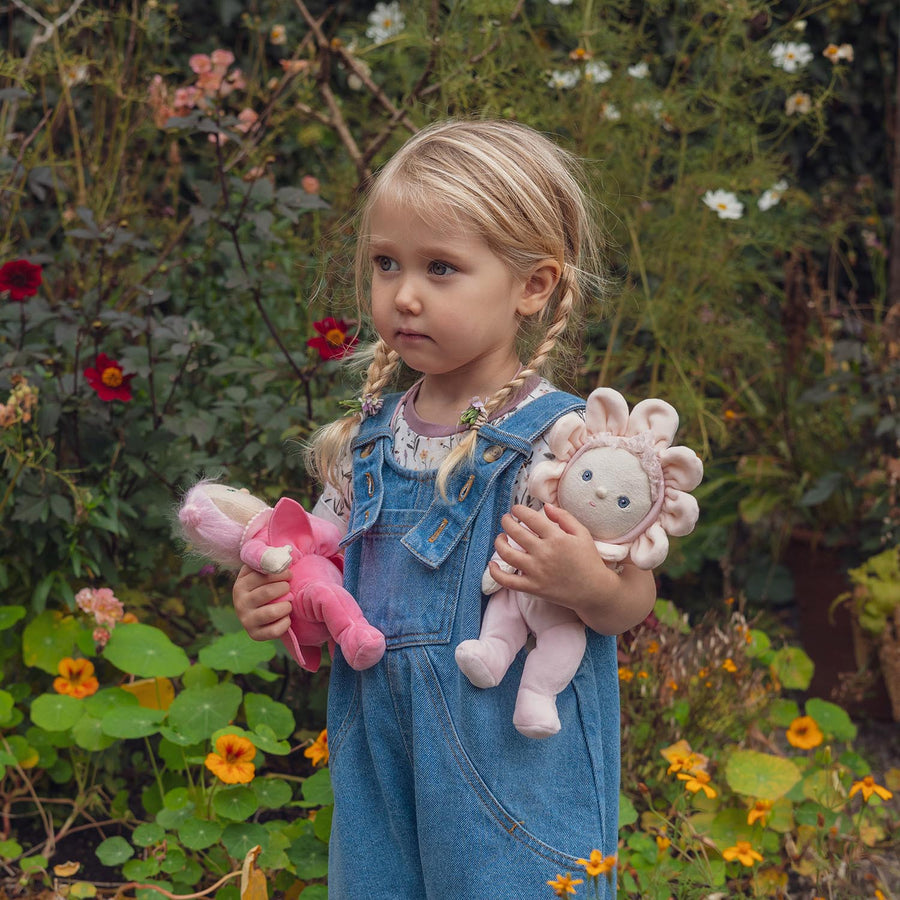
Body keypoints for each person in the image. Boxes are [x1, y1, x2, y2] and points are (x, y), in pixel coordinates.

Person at [232, 118, 657, 899]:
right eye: (386, 263)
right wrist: (273, 592)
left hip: (515, 762)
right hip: (379, 751)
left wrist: (582, 581)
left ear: (533, 285)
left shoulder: (562, 443)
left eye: (441, 267)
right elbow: (321, 565)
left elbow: (631, 600)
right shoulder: (371, 437)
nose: (405, 294)